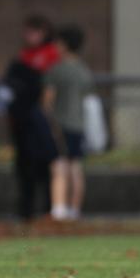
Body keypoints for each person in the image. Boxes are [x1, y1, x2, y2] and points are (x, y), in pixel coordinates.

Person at [0, 15, 60, 220]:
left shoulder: (48, 56)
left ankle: (47, 208)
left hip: (39, 122)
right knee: (24, 166)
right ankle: (26, 209)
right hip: (21, 121)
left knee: (44, 165)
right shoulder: (24, 56)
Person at [43, 25, 93, 221]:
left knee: (59, 166)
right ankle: (74, 209)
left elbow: (47, 101)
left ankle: (59, 209)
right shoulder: (84, 70)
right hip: (79, 125)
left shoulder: (56, 70)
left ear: (63, 44)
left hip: (59, 125)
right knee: (76, 167)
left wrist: (48, 121)